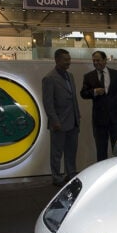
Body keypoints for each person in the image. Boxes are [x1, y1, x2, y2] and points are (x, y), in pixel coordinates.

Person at [42, 49, 80, 187]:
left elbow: (73, 99)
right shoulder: (49, 78)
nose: (69, 62)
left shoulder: (70, 76)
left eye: (69, 59)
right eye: (66, 60)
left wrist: (77, 117)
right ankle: (56, 176)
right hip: (59, 123)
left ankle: (70, 173)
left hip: (73, 121)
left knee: (71, 150)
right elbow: (48, 103)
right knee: (57, 152)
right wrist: (55, 121)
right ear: (57, 60)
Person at [80, 50, 117, 161]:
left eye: (98, 60)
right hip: (99, 120)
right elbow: (83, 94)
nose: (96, 63)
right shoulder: (88, 76)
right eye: (94, 61)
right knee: (101, 150)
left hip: (116, 119)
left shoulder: (116, 74)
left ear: (105, 60)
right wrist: (94, 92)